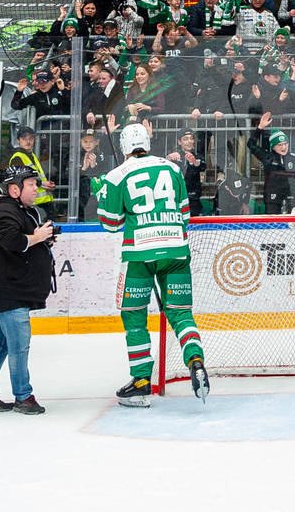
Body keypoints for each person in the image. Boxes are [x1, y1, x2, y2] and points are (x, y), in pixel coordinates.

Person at [96, 122, 210, 405]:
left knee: (133, 316)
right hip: (176, 251)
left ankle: (142, 380)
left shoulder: (116, 175)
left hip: (139, 255)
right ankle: (195, 360)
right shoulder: (171, 169)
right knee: (181, 314)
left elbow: (111, 224)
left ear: (124, 146)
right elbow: (185, 213)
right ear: (147, 142)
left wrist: (102, 194)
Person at [0, 164, 54, 415]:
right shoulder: (5, 211)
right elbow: (12, 241)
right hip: (8, 291)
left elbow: (23, 238)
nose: (36, 188)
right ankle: (23, 396)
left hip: (8, 289)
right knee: (19, 345)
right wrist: (37, 238)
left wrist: (42, 238)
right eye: (31, 184)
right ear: (14, 189)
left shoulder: (19, 210)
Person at [6, 127, 56, 216]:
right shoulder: (18, 157)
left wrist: (45, 183)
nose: (28, 142)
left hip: (39, 202)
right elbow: (20, 180)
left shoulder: (31, 155)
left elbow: (35, 176)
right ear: (18, 140)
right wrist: (42, 184)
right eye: (24, 139)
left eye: (31, 139)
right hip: (32, 203)